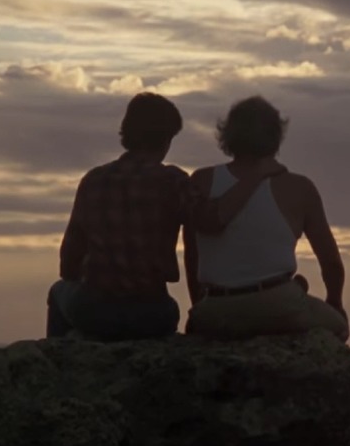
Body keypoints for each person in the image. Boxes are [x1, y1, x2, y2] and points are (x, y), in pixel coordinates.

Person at [47, 92, 283, 341]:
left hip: (96, 311)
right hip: (153, 313)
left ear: (126, 132)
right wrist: (255, 176)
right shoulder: (174, 182)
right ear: (167, 139)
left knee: (58, 292)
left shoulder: (93, 181)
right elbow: (212, 221)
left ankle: (56, 365)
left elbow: (68, 263)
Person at [184, 96, 350, 342]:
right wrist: (335, 302)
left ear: (228, 134)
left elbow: (192, 254)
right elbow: (331, 263)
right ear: (276, 136)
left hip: (216, 307)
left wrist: (200, 304)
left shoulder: (202, 180)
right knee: (338, 328)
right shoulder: (300, 188)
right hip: (277, 305)